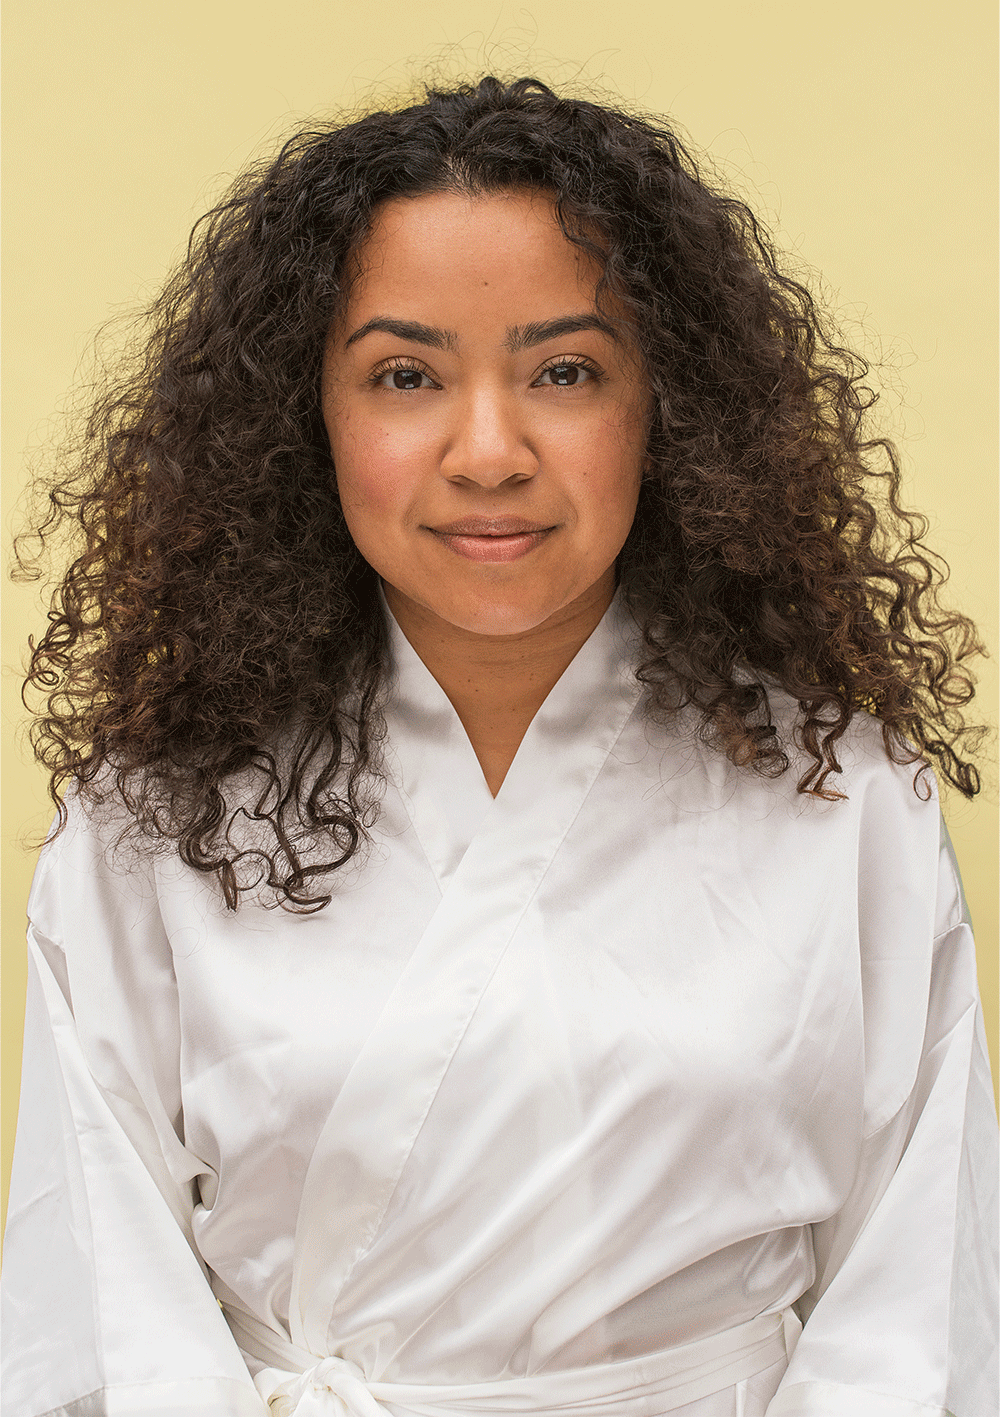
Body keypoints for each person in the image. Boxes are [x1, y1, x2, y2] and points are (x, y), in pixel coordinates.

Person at [2, 75, 997, 1417]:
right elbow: (104, 1303)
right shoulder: (155, 816)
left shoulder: (845, 794)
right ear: (310, 415)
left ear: (668, 409)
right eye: (405, 376)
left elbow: (915, 1307)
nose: (489, 449)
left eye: (564, 372)